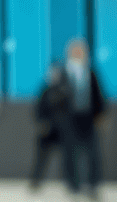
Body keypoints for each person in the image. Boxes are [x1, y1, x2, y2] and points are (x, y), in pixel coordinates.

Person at [63, 37, 106, 196]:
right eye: (76, 51)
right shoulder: (62, 73)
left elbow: (98, 96)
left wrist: (101, 114)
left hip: (88, 119)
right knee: (70, 154)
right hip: (69, 120)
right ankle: (73, 185)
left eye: (82, 51)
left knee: (93, 153)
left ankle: (93, 185)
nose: (79, 54)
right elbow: (51, 97)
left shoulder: (91, 72)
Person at [29, 62, 71, 190]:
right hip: (46, 131)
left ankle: (70, 183)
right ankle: (35, 182)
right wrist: (41, 123)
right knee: (41, 158)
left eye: (56, 73)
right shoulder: (45, 90)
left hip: (62, 131)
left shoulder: (66, 89)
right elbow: (38, 109)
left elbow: (69, 110)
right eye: (52, 72)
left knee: (67, 158)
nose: (54, 75)